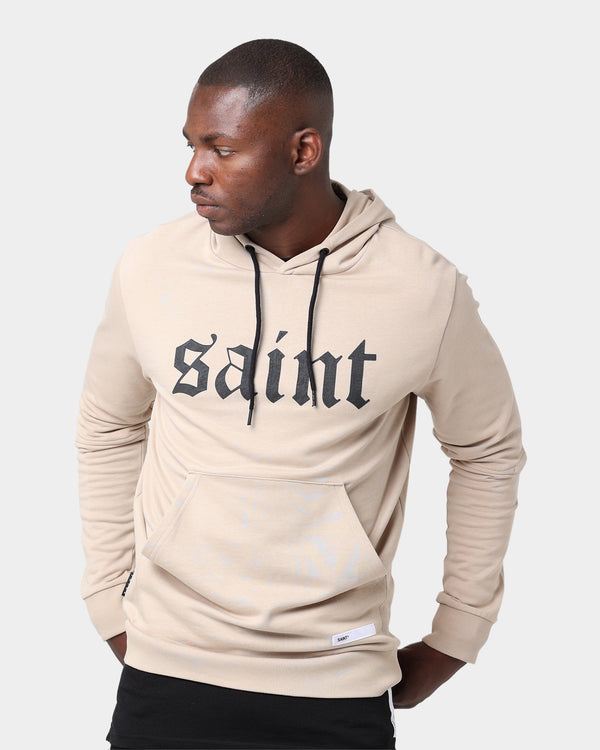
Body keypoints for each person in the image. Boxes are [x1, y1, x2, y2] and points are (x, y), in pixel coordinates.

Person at [75, 38, 527, 750]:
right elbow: (108, 426)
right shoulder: (151, 266)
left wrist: (459, 632)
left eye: (222, 149)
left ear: (303, 151)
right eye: (192, 146)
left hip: (335, 679)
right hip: (167, 672)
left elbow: (488, 450)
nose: (194, 171)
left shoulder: (422, 289)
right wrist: (108, 599)